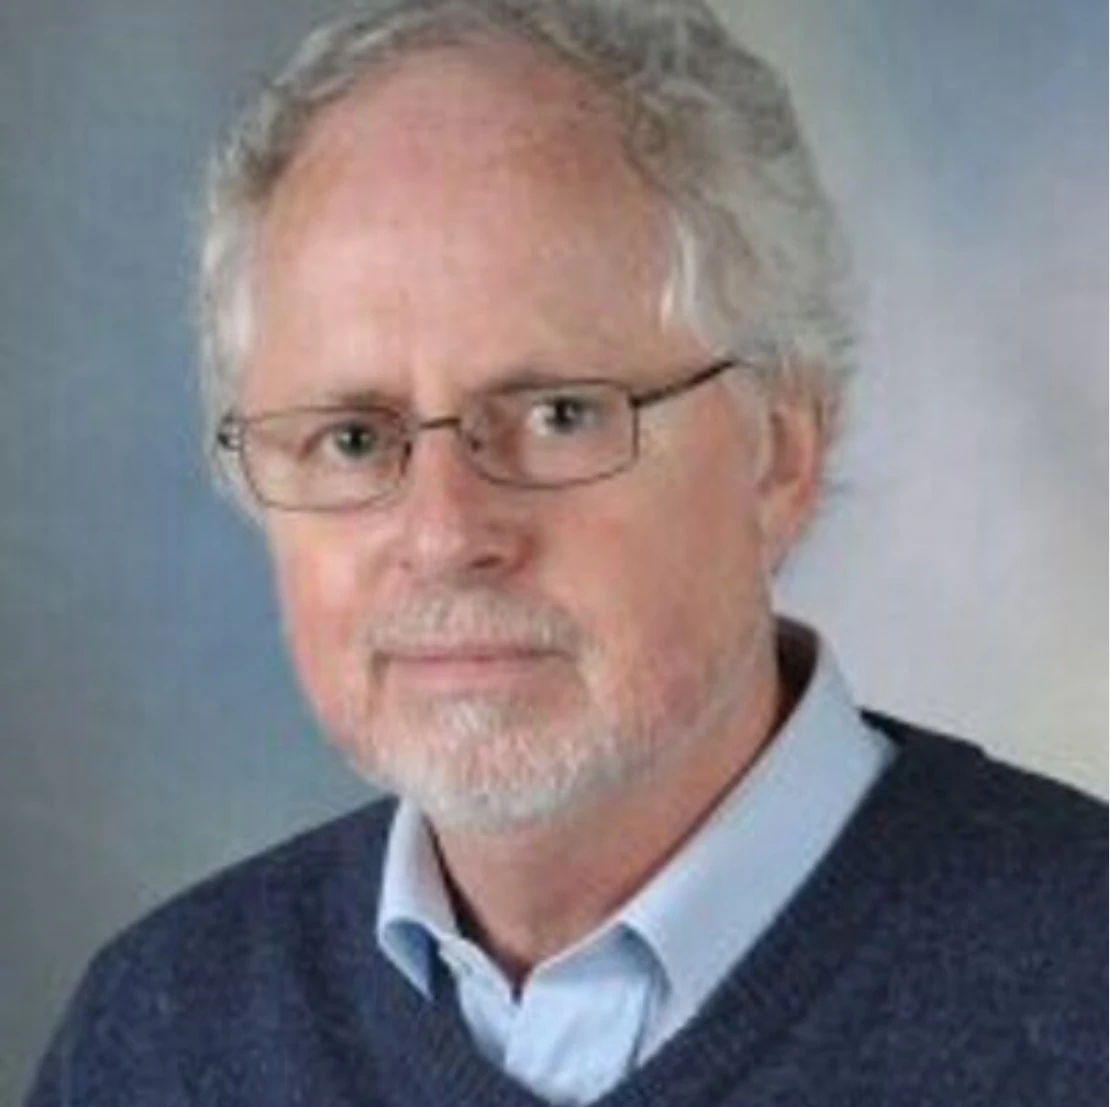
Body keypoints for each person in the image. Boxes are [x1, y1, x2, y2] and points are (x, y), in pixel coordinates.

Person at [25, 1, 1105, 1104]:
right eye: (352, 439)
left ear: (780, 453)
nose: (446, 535)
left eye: (558, 417)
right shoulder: (160, 1036)